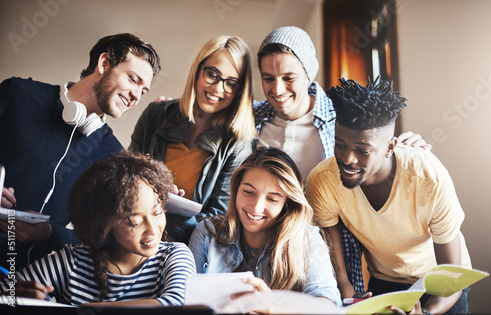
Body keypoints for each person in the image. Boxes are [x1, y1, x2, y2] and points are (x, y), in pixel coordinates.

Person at [253, 25, 431, 293]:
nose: (277, 89)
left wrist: (408, 147)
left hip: (328, 252)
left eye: (289, 77)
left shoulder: (342, 120)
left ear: (308, 75)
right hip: (263, 247)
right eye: (268, 78)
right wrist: (166, 109)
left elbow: (377, 151)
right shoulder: (250, 118)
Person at [306, 77, 472, 314]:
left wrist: (426, 312)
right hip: (385, 283)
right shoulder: (322, 180)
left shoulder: (429, 178)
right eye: (340, 145)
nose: (347, 159)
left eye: (363, 150)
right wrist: (347, 294)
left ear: (389, 147)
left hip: (442, 283)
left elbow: (452, 273)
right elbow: (335, 261)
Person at [0, 33, 161, 269]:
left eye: (143, 91)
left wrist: (50, 234)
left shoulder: (114, 156)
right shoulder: (18, 94)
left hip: (34, 283)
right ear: (104, 64)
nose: (136, 96)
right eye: (133, 80)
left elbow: (107, 242)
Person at [0, 151, 196, 307]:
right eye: (134, 222)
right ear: (104, 223)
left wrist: (88, 309)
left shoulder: (175, 255)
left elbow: (176, 304)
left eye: (157, 212)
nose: (153, 229)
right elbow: (6, 291)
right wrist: (14, 298)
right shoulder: (71, 261)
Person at [129, 35, 255, 244]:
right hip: (132, 235)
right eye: (212, 74)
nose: (217, 88)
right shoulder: (155, 114)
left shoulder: (238, 145)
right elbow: (126, 176)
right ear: (198, 70)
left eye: (231, 83)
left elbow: (219, 217)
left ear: (240, 90)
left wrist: (161, 219)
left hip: (186, 249)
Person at [188, 147, 342, 309]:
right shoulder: (207, 232)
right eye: (248, 192)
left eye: (272, 199)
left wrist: (274, 309)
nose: (256, 207)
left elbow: (327, 302)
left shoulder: (306, 238)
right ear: (235, 189)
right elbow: (187, 298)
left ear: (287, 204)